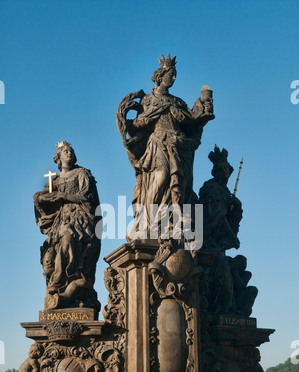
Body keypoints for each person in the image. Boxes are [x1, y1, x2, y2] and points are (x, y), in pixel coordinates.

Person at [117, 54, 214, 239]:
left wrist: (203, 107)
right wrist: (131, 123)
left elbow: (190, 121)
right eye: (171, 74)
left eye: (175, 74)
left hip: (179, 146)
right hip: (158, 144)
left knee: (179, 184)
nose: (174, 78)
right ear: (160, 75)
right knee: (161, 177)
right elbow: (140, 123)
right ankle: (145, 222)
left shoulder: (178, 102)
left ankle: (175, 222)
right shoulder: (148, 100)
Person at [33, 142, 101, 312]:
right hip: (61, 220)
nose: (69, 152)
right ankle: (60, 286)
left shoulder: (81, 173)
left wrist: (63, 196)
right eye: (65, 151)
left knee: (67, 241)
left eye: (71, 151)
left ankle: (61, 283)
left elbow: (86, 196)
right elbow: (44, 196)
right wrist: (41, 198)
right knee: (53, 249)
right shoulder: (54, 179)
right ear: (58, 158)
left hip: (79, 218)